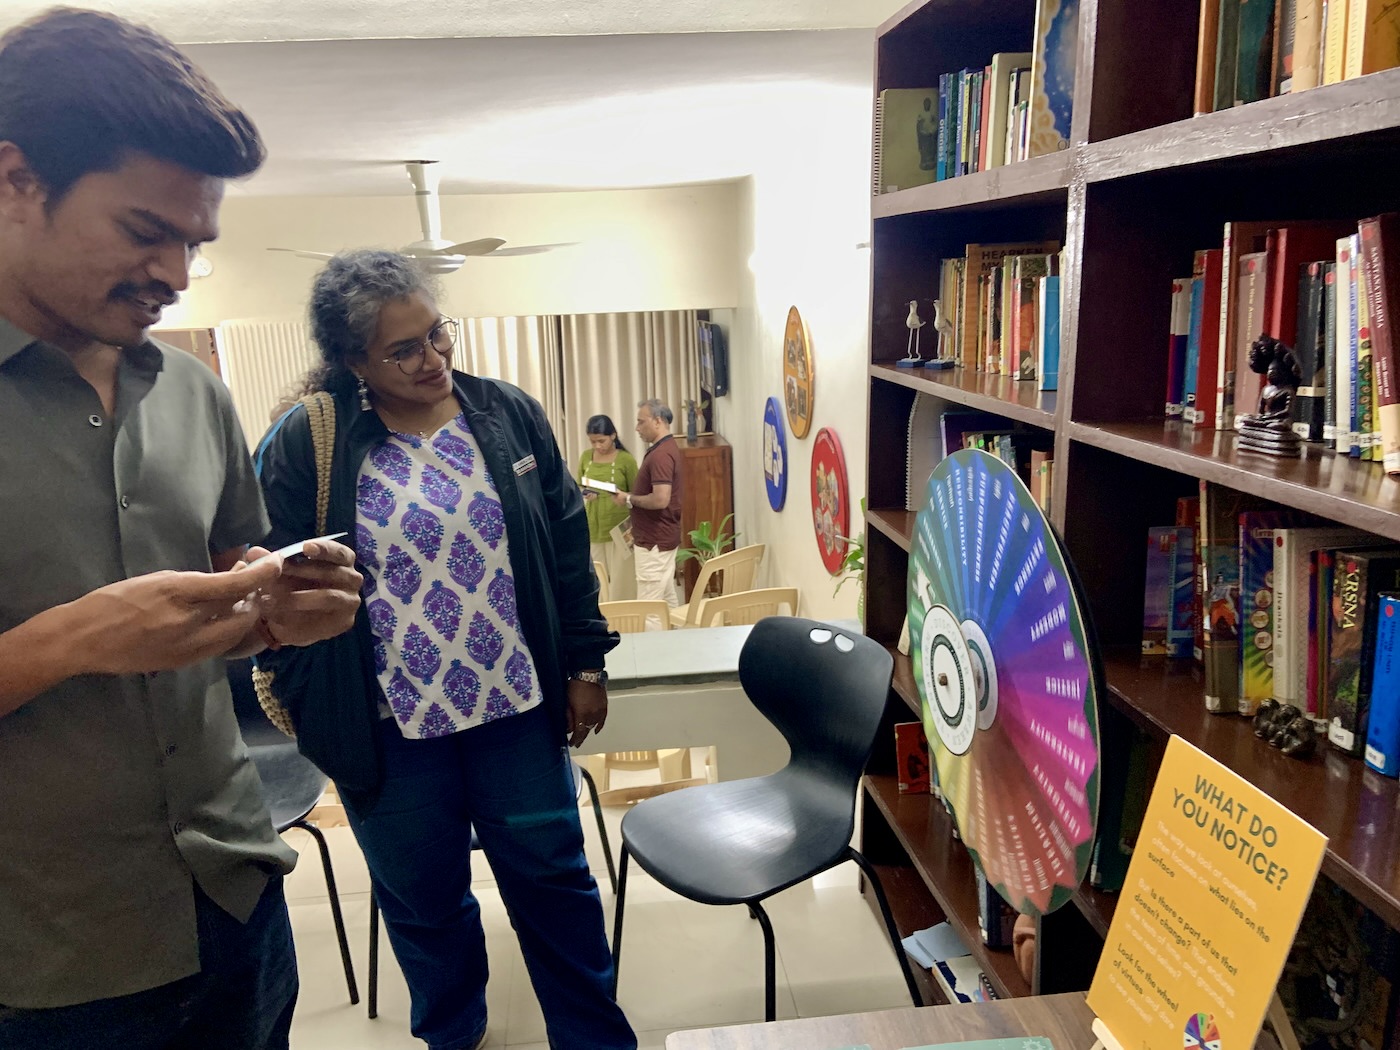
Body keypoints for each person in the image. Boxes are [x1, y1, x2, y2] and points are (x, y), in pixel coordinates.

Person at [0, 9, 363, 1049]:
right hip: (43, 958)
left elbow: (219, 591)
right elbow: (112, 634)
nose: (175, 271)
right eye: (142, 230)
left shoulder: (195, 393)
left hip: (234, 896)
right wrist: (72, 641)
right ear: (16, 180)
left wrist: (274, 612)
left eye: (193, 243)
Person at [256, 249, 636, 1050]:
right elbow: (263, 579)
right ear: (354, 361)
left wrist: (585, 665)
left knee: (556, 887)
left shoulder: (506, 413)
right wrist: (311, 698)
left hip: (516, 712)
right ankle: (455, 1035)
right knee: (425, 905)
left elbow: (567, 548)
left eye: (437, 334)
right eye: (403, 350)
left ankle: (596, 1038)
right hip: (388, 733)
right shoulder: (308, 443)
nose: (433, 359)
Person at [613, 398, 683, 626]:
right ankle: (677, 640)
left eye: (641, 422)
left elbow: (661, 499)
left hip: (654, 541)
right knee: (666, 599)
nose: (637, 428)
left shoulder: (661, 455)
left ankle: (653, 649)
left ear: (658, 421)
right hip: (661, 537)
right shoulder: (666, 449)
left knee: (649, 608)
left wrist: (628, 499)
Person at [579, 414, 638, 600]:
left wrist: (623, 497)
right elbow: (579, 484)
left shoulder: (626, 460)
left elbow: (637, 493)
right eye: (593, 441)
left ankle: (624, 614)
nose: (597, 446)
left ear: (613, 436)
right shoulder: (586, 457)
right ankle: (601, 613)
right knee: (597, 577)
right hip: (594, 524)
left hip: (620, 527)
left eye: (601, 441)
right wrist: (585, 493)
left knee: (622, 578)